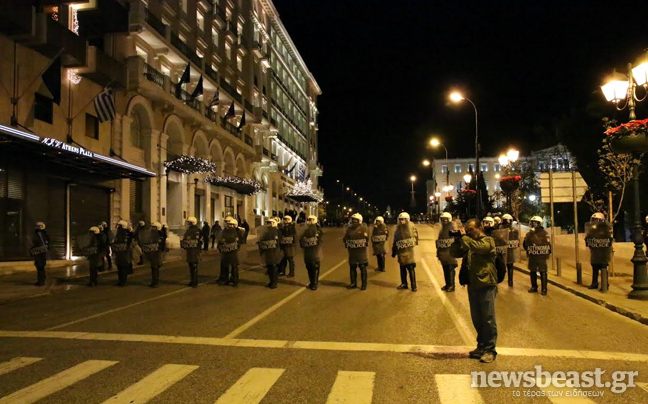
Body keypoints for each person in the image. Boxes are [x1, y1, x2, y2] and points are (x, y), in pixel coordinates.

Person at [451, 218, 498, 363]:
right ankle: (481, 346)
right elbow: (455, 253)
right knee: (477, 319)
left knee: (488, 319)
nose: (469, 232)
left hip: (486, 284)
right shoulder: (469, 242)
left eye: (471, 229)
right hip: (473, 284)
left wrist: (465, 237)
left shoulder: (488, 241)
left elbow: (479, 247)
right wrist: (457, 240)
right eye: (467, 229)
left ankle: (490, 350)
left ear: (480, 228)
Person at [523, 216, 551, 295]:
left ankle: (541, 288)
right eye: (532, 223)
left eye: (535, 223)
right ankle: (538, 288)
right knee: (534, 271)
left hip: (539, 255)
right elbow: (525, 245)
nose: (533, 224)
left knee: (541, 271)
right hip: (535, 255)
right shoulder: (530, 234)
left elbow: (547, 245)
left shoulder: (542, 234)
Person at [585, 212, 613, 291]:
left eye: (596, 220)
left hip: (603, 253)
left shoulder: (605, 230)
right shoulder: (592, 230)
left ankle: (605, 284)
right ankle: (594, 283)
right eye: (593, 220)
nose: (594, 222)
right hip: (595, 253)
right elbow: (588, 240)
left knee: (603, 268)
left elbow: (609, 241)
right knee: (595, 268)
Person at [392, 212, 419, 292]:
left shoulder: (412, 228)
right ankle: (404, 283)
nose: (401, 221)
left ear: (407, 220)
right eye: (400, 220)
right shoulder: (397, 230)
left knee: (411, 268)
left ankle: (413, 285)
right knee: (402, 268)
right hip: (401, 252)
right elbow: (395, 241)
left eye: (403, 219)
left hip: (410, 252)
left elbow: (416, 239)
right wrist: (394, 251)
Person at [343, 213, 370, 290]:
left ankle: (364, 284)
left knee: (362, 267)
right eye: (353, 220)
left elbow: (366, 239)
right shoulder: (349, 229)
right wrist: (346, 241)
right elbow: (345, 238)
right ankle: (353, 283)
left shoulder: (363, 229)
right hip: (352, 252)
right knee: (352, 267)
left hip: (361, 252)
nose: (354, 222)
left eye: (356, 220)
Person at [217, 216, 245, 287]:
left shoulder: (237, 232)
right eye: (228, 223)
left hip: (233, 252)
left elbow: (239, 241)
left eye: (230, 224)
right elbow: (221, 240)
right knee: (225, 265)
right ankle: (224, 279)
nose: (228, 225)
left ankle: (234, 280)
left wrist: (233, 246)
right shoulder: (225, 231)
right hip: (226, 252)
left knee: (234, 266)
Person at [300, 215, 323, 290]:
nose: (309, 222)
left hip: (315, 252)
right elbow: (301, 239)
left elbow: (319, 237)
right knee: (309, 267)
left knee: (314, 267)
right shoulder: (306, 230)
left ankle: (314, 283)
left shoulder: (317, 230)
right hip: (307, 252)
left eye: (311, 220)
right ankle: (312, 282)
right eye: (308, 220)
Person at [436, 212, 457, 292]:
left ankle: (452, 285)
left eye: (445, 219)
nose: (444, 221)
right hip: (443, 251)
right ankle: (448, 284)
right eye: (442, 219)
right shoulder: (442, 229)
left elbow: (456, 239)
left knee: (450, 268)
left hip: (450, 252)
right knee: (445, 268)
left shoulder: (452, 228)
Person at [259, 217, 282, 289]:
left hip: (274, 251)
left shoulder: (277, 231)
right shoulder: (265, 231)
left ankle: (274, 282)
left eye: (270, 223)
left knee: (273, 267)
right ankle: (271, 281)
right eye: (267, 223)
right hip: (267, 251)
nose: (268, 224)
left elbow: (280, 241)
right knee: (269, 267)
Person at [112, 220, 133, 287]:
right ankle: (123, 281)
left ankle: (121, 281)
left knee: (120, 267)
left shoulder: (118, 233)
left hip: (120, 252)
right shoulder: (127, 233)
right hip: (124, 252)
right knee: (123, 267)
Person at [181, 217, 202, 288]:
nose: (188, 224)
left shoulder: (196, 230)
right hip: (190, 250)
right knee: (191, 265)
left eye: (189, 222)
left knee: (194, 265)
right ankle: (192, 280)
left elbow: (197, 240)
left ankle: (195, 281)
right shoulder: (189, 230)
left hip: (194, 250)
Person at [500, 214, 519, 286]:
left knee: (504, 266)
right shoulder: (514, 230)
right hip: (509, 250)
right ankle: (510, 281)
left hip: (504, 250)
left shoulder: (500, 229)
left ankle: (505, 280)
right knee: (510, 266)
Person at [144, 222, 164, 288]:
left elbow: (160, 244)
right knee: (154, 267)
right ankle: (154, 281)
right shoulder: (152, 234)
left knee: (155, 267)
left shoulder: (159, 234)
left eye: (153, 227)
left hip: (156, 253)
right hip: (153, 252)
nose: (152, 228)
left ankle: (155, 282)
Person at [31, 222, 50, 286]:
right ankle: (42, 280)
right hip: (42, 251)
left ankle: (41, 281)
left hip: (40, 251)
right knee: (41, 266)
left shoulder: (39, 234)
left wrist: (33, 250)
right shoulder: (44, 233)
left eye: (38, 226)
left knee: (40, 266)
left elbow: (38, 243)